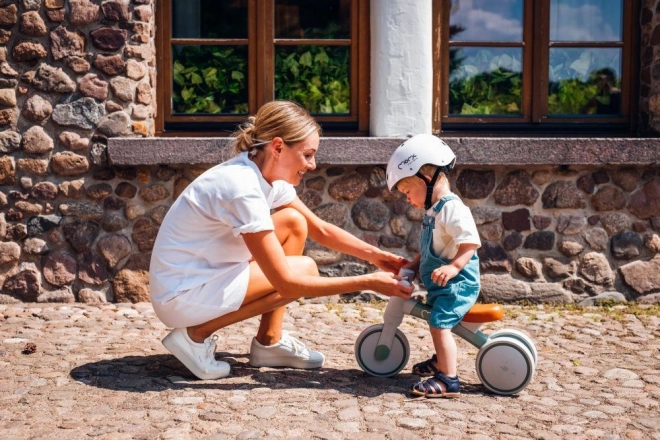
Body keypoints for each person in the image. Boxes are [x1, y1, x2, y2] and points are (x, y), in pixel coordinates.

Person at [149, 100, 413, 380]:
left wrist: (376, 256)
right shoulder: (243, 189)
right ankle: (194, 336)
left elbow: (320, 230)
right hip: (180, 295)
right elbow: (286, 283)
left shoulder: (264, 175)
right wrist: (368, 282)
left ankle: (269, 342)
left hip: (201, 276)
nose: (312, 165)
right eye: (308, 154)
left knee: (293, 223)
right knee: (304, 270)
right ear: (277, 147)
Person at [385, 134, 481, 398]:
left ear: (425, 180)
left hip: (458, 285)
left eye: (407, 192)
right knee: (435, 320)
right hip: (444, 286)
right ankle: (441, 361)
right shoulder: (434, 211)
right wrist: (414, 265)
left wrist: (453, 268)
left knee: (439, 323)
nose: (406, 199)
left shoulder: (452, 209)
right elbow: (431, 249)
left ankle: (448, 379)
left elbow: (469, 243)